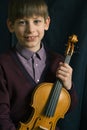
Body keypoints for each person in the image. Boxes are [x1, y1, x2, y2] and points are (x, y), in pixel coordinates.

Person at [0, 0, 77, 130]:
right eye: (22, 22)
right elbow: (1, 117)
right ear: (10, 25)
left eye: (36, 21)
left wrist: (68, 86)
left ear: (46, 23)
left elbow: (68, 108)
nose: (30, 30)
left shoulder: (58, 61)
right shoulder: (3, 64)